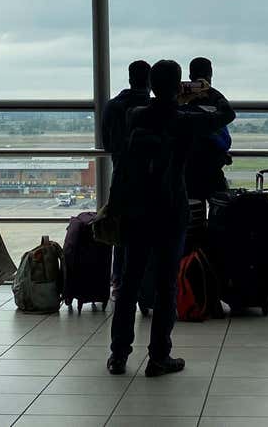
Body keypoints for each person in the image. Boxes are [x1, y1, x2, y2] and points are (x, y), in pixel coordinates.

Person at [109, 59, 235, 377]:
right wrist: (205, 89)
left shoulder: (134, 115)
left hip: (137, 210)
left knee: (129, 283)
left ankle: (119, 355)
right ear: (180, 85)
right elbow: (227, 114)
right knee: (166, 286)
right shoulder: (185, 119)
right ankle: (158, 356)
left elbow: (124, 159)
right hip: (169, 210)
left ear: (151, 84)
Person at [102, 60, 151, 290]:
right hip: (152, 180)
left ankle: (119, 281)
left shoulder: (113, 106)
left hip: (122, 176)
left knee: (122, 233)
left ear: (130, 79)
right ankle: (147, 285)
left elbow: (107, 143)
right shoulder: (155, 108)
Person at [182, 56, 233, 201]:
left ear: (190, 76)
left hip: (188, 166)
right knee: (222, 204)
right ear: (210, 75)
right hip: (211, 166)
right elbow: (230, 113)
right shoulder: (215, 98)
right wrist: (210, 90)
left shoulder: (181, 97)